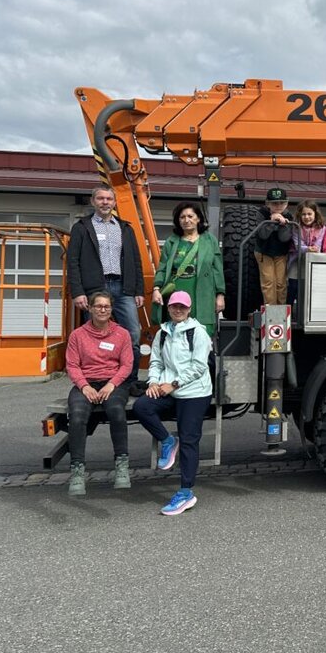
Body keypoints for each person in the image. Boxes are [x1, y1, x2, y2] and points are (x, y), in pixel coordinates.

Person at [132, 291, 213, 516]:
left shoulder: (198, 333)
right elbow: (156, 361)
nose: (178, 310)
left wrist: (173, 384)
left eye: (182, 307)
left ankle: (186, 492)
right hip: (170, 389)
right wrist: (153, 382)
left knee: (189, 439)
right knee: (142, 407)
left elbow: (199, 367)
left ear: (189, 309)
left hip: (194, 392)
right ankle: (168, 441)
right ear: (168, 308)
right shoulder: (163, 333)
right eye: (174, 306)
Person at [67, 184, 145, 384]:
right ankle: (95, 380)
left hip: (123, 287)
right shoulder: (81, 228)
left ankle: (130, 381)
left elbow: (136, 261)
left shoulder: (126, 228)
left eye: (109, 199)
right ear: (93, 201)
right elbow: (73, 262)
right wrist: (77, 292)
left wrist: (138, 290)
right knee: (93, 338)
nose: (105, 202)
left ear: (114, 202)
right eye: (101, 199)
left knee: (133, 335)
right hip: (95, 290)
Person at [64, 290, 134, 497]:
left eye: (106, 306)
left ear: (111, 309)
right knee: (77, 415)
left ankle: (122, 466)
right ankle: (77, 471)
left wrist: (112, 384)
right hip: (86, 382)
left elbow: (127, 364)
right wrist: (84, 386)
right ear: (91, 308)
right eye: (98, 306)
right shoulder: (77, 335)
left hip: (113, 383)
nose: (102, 309)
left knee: (116, 411)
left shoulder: (122, 334)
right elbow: (72, 365)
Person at [151, 201, 226, 338]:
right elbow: (162, 268)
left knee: (202, 333)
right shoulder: (171, 241)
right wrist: (156, 289)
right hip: (177, 290)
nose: (187, 220)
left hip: (203, 292)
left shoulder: (210, 240)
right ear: (178, 221)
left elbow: (217, 268)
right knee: (176, 331)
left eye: (191, 216)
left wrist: (220, 295)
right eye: (182, 217)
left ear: (198, 219)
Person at [254, 187, 293, 305]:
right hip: (264, 251)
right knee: (268, 282)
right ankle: (270, 310)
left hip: (281, 253)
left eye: (282, 203)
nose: (278, 206)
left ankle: (281, 311)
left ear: (286, 203)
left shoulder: (289, 216)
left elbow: (284, 238)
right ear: (267, 204)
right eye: (274, 203)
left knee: (281, 283)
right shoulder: (261, 213)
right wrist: (271, 222)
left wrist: (283, 224)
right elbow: (262, 235)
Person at [288, 199, 326, 305]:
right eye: (303, 214)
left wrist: (314, 248)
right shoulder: (296, 227)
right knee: (293, 286)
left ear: (315, 214)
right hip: (296, 260)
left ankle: (302, 314)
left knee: (306, 289)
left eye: (309, 214)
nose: (306, 217)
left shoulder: (321, 228)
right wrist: (308, 249)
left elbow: (318, 245)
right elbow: (298, 245)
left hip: (311, 261)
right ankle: (289, 313)